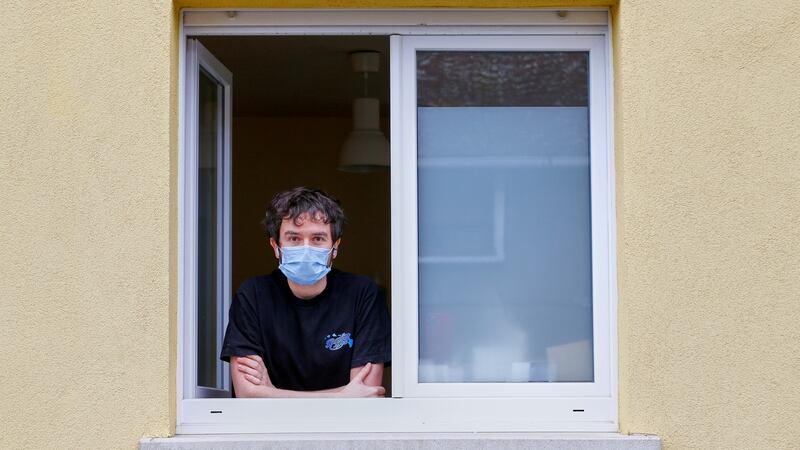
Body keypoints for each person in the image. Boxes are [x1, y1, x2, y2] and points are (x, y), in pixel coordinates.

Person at [220, 187, 390, 397]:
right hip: (270, 429)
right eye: (294, 239)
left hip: (342, 430)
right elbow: (247, 394)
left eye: (318, 239)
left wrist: (271, 393)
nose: (306, 248)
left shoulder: (363, 295)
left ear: (335, 246)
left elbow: (367, 394)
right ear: (276, 246)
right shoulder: (253, 295)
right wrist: (340, 397)